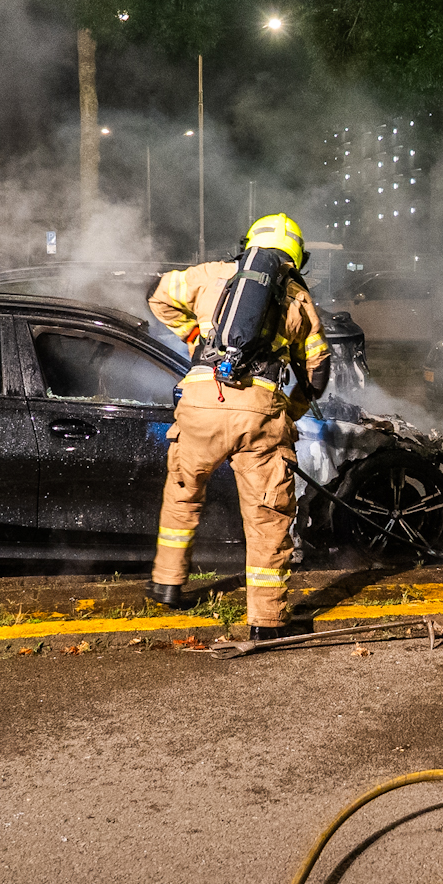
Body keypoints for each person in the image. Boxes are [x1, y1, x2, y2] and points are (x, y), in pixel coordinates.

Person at [147, 213, 331, 639]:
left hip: (200, 404)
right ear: (296, 257)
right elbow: (317, 371)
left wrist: (195, 337)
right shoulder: (298, 298)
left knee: (183, 493)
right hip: (259, 414)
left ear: (248, 243)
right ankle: (266, 623)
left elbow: (158, 296)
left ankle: (167, 584)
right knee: (268, 518)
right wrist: (291, 409)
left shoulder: (210, 275)